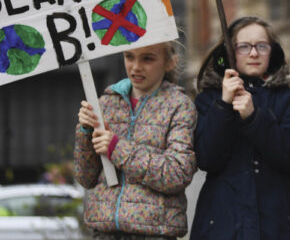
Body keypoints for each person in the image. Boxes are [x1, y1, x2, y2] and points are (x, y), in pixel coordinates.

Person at [191, 16, 290, 240]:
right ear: (229, 52)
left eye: (261, 46)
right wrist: (224, 106)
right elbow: (207, 158)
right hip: (221, 225)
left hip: (277, 225)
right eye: (244, 47)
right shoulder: (209, 100)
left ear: (271, 52)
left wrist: (255, 118)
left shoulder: (289, 99)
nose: (253, 53)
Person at [74, 41, 197, 239]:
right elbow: (86, 178)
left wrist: (117, 148)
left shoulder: (179, 105)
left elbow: (177, 174)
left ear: (170, 62)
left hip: (153, 233)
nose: (136, 66)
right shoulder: (106, 102)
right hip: (104, 232)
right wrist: (85, 132)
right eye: (129, 56)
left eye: (147, 58)